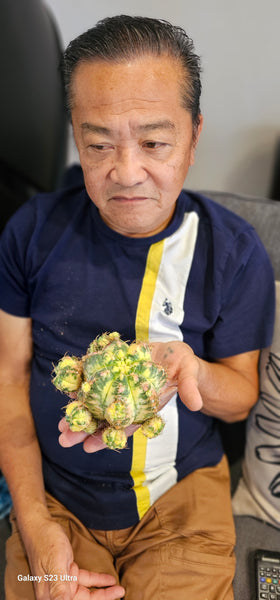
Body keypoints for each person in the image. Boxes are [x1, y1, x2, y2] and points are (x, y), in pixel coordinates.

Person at [0, 14, 275, 600]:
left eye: (154, 142)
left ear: (194, 137)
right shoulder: (30, 233)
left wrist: (194, 372)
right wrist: (36, 526)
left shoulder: (233, 253)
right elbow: (8, 380)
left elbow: (241, 395)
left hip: (182, 496)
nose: (126, 173)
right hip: (56, 497)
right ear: (76, 135)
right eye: (98, 143)